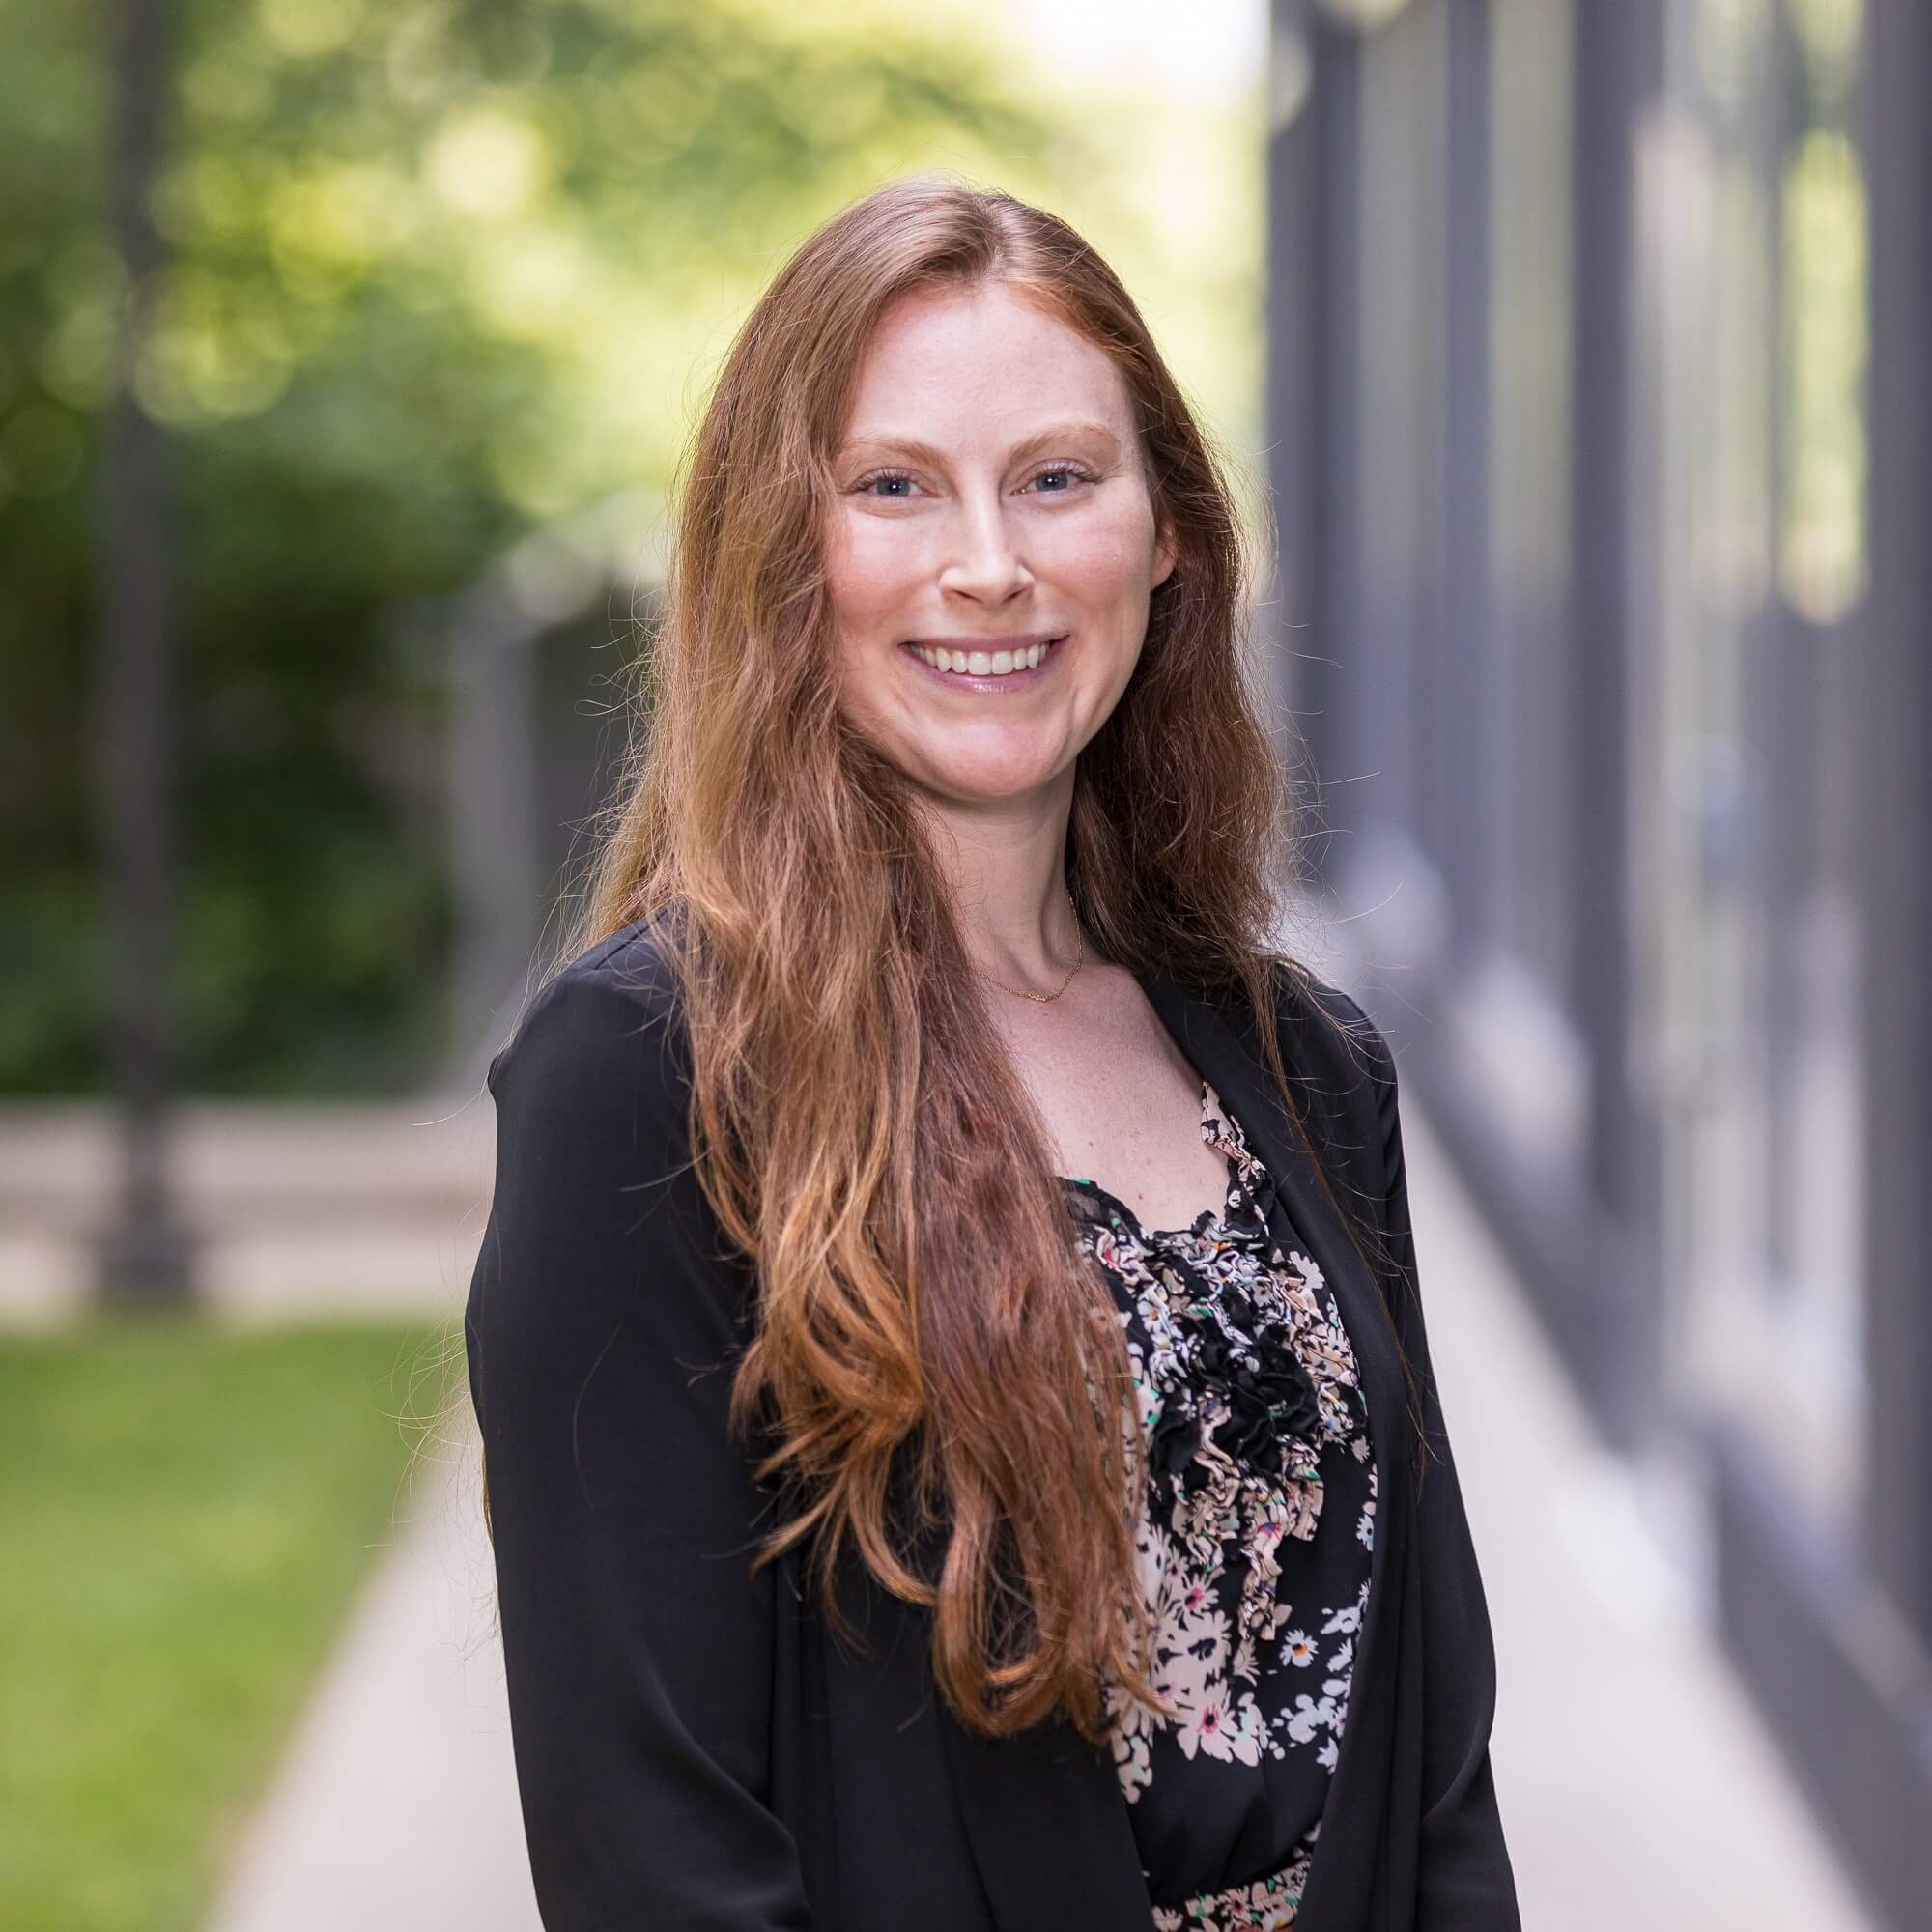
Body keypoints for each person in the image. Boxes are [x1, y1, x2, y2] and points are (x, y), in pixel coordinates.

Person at [464, 174, 1520, 1931]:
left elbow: (1437, 1785)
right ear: (785, 555)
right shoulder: (649, 1081)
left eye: (1056, 478)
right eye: (893, 487)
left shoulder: (1311, 1069)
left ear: (1166, 532)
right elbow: (657, 1860)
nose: (988, 564)